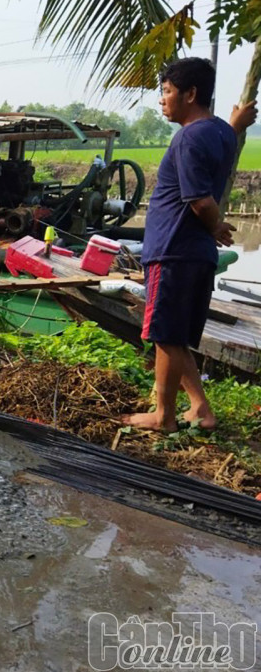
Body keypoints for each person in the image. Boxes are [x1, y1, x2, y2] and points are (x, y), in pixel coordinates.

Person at [123, 57, 257, 432]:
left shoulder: (188, 137)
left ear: (191, 94)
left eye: (167, 91)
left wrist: (215, 224)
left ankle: (163, 416)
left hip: (173, 249)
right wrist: (237, 122)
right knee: (176, 335)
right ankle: (200, 408)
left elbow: (199, 199)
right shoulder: (221, 134)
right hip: (195, 252)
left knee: (165, 335)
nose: (162, 100)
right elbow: (226, 134)